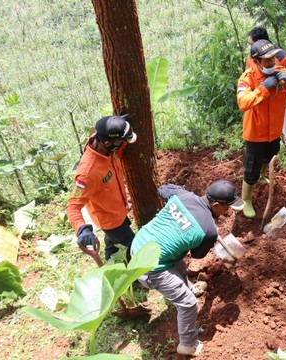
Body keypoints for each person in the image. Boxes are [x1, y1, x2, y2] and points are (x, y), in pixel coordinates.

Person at [132, 180, 245, 357]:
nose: (228, 211)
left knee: (180, 265)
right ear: (216, 205)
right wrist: (208, 236)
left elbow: (163, 189)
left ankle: (189, 288)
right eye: (227, 207)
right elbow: (198, 255)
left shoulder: (183, 195)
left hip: (141, 243)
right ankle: (188, 345)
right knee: (188, 304)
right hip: (150, 267)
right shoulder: (208, 230)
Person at [237, 39, 286, 218]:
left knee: (268, 158)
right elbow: (243, 103)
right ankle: (246, 200)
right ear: (257, 61)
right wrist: (263, 88)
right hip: (255, 133)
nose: (271, 63)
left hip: (274, 132)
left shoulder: (280, 71)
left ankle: (262, 175)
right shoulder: (248, 77)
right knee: (251, 168)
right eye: (267, 60)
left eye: (273, 58)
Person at [66, 115, 137, 260]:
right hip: (110, 220)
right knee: (134, 248)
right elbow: (72, 206)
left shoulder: (104, 142)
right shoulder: (88, 173)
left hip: (119, 208)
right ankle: (138, 280)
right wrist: (81, 229)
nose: (122, 143)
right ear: (107, 143)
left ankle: (111, 258)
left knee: (112, 241)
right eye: (120, 141)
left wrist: (119, 125)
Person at [246, 26, 286, 158]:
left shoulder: (280, 55)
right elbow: (247, 76)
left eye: (252, 44)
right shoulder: (252, 57)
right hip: (261, 101)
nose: (271, 61)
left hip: (281, 100)